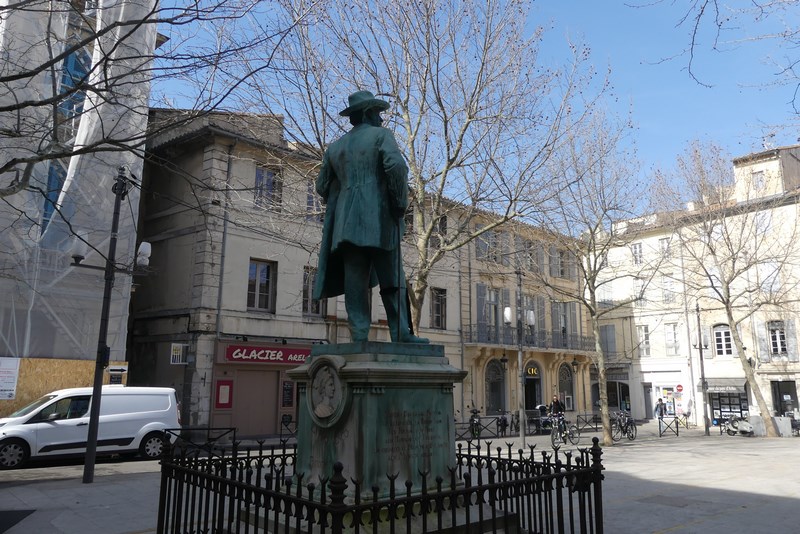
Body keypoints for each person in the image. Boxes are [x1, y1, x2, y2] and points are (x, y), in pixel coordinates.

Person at [313, 90, 428, 344]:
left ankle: (359, 335)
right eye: (377, 112)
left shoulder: (335, 148)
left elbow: (321, 186)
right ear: (367, 113)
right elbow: (396, 166)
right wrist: (399, 203)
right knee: (393, 279)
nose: (381, 118)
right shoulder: (381, 136)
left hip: (345, 225)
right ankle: (400, 333)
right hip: (379, 219)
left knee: (355, 281)